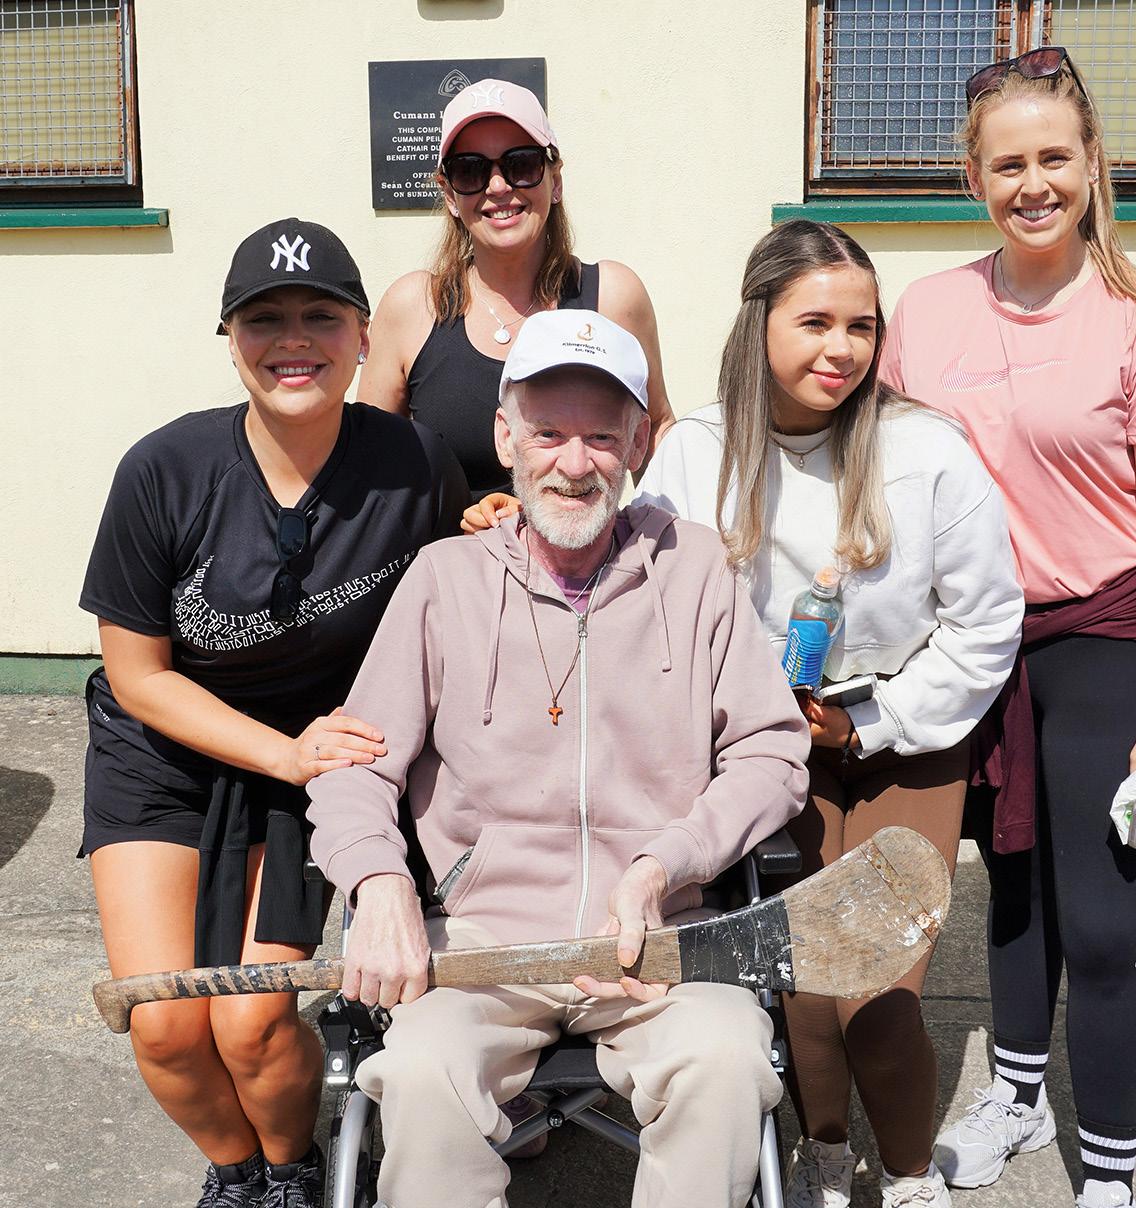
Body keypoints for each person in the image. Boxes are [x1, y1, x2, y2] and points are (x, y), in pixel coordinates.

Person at [306, 309, 810, 1208]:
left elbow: (771, 752)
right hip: (482, 948)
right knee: (417, 1071)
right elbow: (356, 763)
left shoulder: (697, 571)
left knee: (730, 1058)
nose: (574, 465)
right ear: (506, 437)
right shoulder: (443, 580)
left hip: (658, 945)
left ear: (638, 444)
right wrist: (377, 883)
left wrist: (665, 865)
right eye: (548, 434)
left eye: (602, 437)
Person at [877, 48, 1136, 1208]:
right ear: (972, 176)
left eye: (1053, 158)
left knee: (1103, 926)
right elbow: (883, 477)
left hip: (1102, 642)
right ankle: (1017, 1096)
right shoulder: (927, 312)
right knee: (1012, 894)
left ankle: (1106, 1174)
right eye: (1007, 163)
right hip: (974, 647)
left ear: (1090, 163)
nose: (1033, 183)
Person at [79, 217, 468, 1208]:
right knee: (164, 1020)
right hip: (161, 757)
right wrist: (284, 753)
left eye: (320, 316)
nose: (293, 340)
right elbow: (137, 676)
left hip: (313, 761)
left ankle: (294, 1168)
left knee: (251, 1020)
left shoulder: (413, 462)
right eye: (264, 318)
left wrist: (491, 515)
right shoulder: (163, 470)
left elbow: (461, 585)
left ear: (362, 336)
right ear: (229, 338)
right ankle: (235, 1172)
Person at [635, 219, 1024, 1208]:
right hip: (765, 747)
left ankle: (908, 1178)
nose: (841, 348)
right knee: (805, 987)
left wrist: (873, 720)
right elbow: (647, 607)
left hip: (901, 734)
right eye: (815, 322)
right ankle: (819, 1158)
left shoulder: (925, 448)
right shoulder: (694, 455)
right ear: (758, 320)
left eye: (862, 325)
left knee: (878, 991)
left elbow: (985, 622)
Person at [359, 78, 675, 515]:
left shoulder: (613, 297)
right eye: (470, 170)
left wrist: (660, 537)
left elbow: (655, 431)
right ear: (449, 194)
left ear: (555, 180)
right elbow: (370, 464)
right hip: (449, 556)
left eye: (520, 164)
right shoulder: (413, 307)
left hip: (584, 555)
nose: (497, 186)